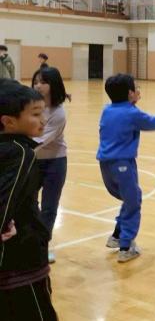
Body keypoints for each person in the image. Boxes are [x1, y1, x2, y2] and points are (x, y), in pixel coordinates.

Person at [96, 74, 155, 262]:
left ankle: (117, 235)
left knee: (130, 198)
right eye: (135, 88)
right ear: (130, 93)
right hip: (122, 164)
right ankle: (126, 247)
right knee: (133, 202)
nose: (138, 90)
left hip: (105, 165)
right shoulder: (132, 114)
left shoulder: (107, 110)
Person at [0, 80, 58, 320]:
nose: (43, 120)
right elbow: (5, 202)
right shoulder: (20, 153)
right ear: (8, 121)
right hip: (21, 262)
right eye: (35, 114)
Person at [31, 67, 69, 264]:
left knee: (49, 207)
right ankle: (29, 243)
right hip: (33, 162)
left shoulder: (58, 113)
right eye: (36, 81)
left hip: (55, 162)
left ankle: (42, 247)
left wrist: (14, 149)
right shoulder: (29, 107)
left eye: (43, 82)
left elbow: (41, 141)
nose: (38, 86)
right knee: (28, 203)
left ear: (53, 85)